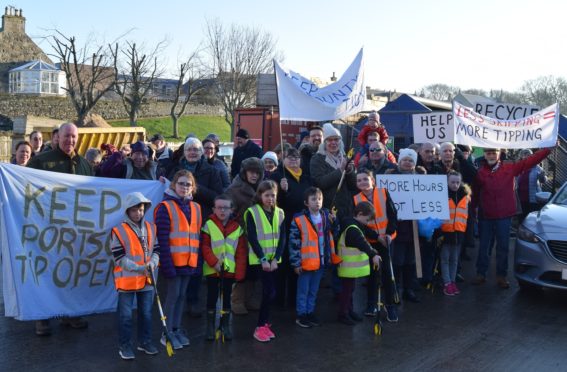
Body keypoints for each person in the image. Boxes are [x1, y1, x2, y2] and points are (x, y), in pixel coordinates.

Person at [27, 122, 92, 336]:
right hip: (46, 229)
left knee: (69, 272)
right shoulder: (40, 161)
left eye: (74, 137)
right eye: (66, 137)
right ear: (58, 137)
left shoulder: (84, 164)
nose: (70, 141)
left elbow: (94, 193)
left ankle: (69, 313)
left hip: (74, 231)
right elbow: (25, 188)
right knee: (45, 271)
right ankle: (42, 317)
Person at [472, 146, 552, 288]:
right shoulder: (480, 173)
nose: (491, 155)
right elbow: (476, 194)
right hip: (486, 216)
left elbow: (530, 161)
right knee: (484, 246)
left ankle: (501, 276)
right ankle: (481, 273)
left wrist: (548, 150)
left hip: (504, 215)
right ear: (484, 155)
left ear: (499, 153)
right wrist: (474, 211)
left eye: (493, 153)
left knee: (503, 247)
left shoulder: (510, 168)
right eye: (488, 153)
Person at [154, 170, 202, 349]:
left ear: (193, 187)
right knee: (172, 297)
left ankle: (175, 327)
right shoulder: (165, 207)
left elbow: (197, 237)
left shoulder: (196, 208)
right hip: (172, 262)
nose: (184, 187)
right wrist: (167, 265)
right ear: (173, 185)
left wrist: (197, 263)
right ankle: (166, 333)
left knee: (182, 296)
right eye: (181, 184)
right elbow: (162, 239)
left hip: (189, 262)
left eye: (188, 184)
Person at [110, 192, 160, 360]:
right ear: (127, 211)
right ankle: (124, 346)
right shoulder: (118, 230)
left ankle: (144, 342)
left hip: (147, 280)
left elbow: (157, 250)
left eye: (140, 209)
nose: (138, 213)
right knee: (126, 317)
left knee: (146, 313)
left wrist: (152, 263)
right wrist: (140, 269)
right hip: (127, 281)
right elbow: (119, 258)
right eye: (134, 210)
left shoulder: (152, 228)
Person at [289, 187, 340, 328]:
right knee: (303, 290)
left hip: (321, 261)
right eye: (313, 199)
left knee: (313, 290)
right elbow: (294, 243)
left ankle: (310, 312)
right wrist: (296, 263)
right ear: (306, 202)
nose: (317, 202)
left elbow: (335, 234)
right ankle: (301, 314)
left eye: (319, 199)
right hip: (306, 263)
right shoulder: (299, 219)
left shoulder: (326, 216)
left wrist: (334, 222)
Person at [269, 147, 313, 309]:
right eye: (290, 157)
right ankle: (278, 299)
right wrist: (282, 191)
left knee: (297, 264)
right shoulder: (277, 176)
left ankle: (294, 300)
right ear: (283, 158)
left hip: (303, 226)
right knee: (283, 263)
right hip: (284, 225)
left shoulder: (307, 178)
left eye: (296, 157)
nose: (294, 160)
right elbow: (271, 202)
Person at [353, 170, 398, 321]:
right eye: (359, 180)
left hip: (386, 239)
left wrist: (389, 234)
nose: (363, 183)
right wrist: (376, 237)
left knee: (387, 273)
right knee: (372, 275)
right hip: (370, 242)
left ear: (372, 179)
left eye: (365, 179)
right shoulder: (356, 199)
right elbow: (359, 223)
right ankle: (371, 304)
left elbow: (392, 214)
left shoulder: (383, 192)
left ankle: (390, 305)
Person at [244, 180, 286, 342]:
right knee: (269, 292)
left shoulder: (280, 212)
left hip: (274, 261)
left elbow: (283, 238)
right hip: (260, 261)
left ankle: (265, 323)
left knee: (271, 293)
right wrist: (263, 259)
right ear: (260, 195)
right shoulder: (252, 212)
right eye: (267, 195)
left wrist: (276, 258)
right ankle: (260, 326)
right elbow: (252, 238)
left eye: (273, 195)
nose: (270, 198)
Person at [201, 194, 247, 341]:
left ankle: (225, 326)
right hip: (212, 270)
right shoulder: (208, 225)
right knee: (212, 297)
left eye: (225, 208)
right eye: (219, 207)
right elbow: (205, 246)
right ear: (214, 209)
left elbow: (241, 252)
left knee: (226, 298)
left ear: (231, 209)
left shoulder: (237, 228)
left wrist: (239, 273)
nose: (222, 211)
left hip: (229, 271)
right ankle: (210, 327)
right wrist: (214, 262)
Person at [225, 157, 264, 315]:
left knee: (254, 271)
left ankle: (249, 299)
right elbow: (228, 215)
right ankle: (237, 300)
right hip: (241, 237)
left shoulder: (261, 189)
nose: (254, 175)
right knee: (242, 271)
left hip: (257, 237)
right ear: (244, 173)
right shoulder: (234, 190)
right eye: (251, 172)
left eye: (257, 172)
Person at [385, 148, 424, 303]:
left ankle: (408, 289)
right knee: (397, 260)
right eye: (405, 160)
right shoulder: (391, 177)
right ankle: (396, 290)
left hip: (414, 226)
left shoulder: (421, 179)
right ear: (399, 162)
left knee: (411, 260)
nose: (407, 163)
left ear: (414, 164)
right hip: (397, 226)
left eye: (411, 161)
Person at [336, 201, 381, 326]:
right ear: (360, 214)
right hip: (347, 265)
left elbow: (366, 231)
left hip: (349, 266)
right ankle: (343, 313)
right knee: (347, 290)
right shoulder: (353, 229)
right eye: (367, 220)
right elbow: (362, 242)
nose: (367, 223)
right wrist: (373, 254)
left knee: (350, 289)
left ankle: (348, 310)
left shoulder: (353, 223)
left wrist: (377, 237)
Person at [310, 123, 357, 219]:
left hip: (347, 209)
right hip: (328, 209)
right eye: (329, 140)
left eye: (336, 139)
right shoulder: (317, 158)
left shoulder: (345, 157)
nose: (333, 143)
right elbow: (320, 182)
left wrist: (350, 171)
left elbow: (353, 186)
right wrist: (340, 170)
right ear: (324, 142)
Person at [167, 138, 222, 218]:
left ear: (201, 152)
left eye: (196, 150)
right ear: (184, 153)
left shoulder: (212, 171)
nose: (192, 152)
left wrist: (194, 188)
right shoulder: (175, 170)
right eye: (189, 150)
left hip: (202, 216)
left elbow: (217, 198)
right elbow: (169, 191)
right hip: (179, 216)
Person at [440, 171, 470, 296]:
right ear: (447, 182)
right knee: (445, 259)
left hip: (459, 233)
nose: (455, 185)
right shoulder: (442, 195)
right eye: (452, 182)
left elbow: (468, 217)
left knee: (455, 260)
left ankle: (452, 282)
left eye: (457, 182)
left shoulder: (465, 196)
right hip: (445, 233)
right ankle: (447, 283)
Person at [517, 149, 548, 220]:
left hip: (533, 199)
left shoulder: (537, 167)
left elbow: (544, 180)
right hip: (520, 199)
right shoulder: (518, 167)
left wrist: (542, 177)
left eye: (529, 155)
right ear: (521, 156)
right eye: (525, 155)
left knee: (532, 219)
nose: (527, 156)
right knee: (521, 219)